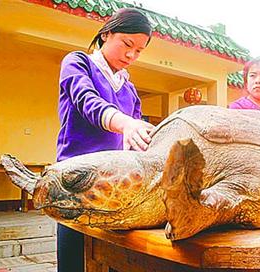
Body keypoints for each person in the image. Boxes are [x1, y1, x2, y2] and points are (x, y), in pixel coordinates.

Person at [56, 8, 154, 271]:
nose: (131, 55)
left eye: (139, 50)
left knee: (111, 258)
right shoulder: (78, 63)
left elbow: (136, 140)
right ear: (106, 33)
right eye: (127, 44)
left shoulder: (129, 88)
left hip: (113, 185)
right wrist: (125, 123)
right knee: (74, 259)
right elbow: (87, 102)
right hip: (75, 180)